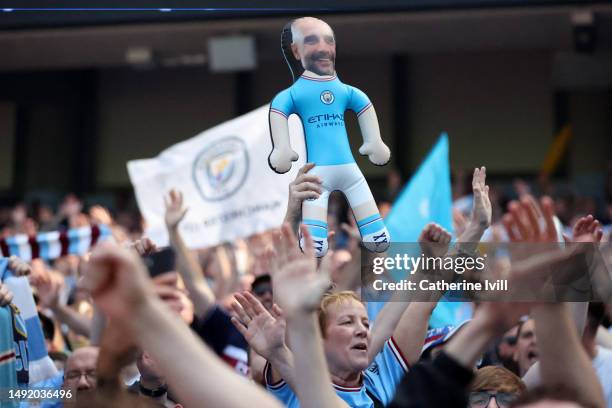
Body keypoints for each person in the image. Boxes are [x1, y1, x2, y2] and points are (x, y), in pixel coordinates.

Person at [80, 242, 284, 408]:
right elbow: (99, 372)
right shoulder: (142, 346)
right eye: (159, 292)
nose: (170, 298)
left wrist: (278, 354)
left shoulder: (212, 343)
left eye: (174, 290)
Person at [269, 16, 391, 256]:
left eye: (329, 41)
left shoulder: (345, 91)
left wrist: (374, 141)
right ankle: (314, 240)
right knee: (315, 212)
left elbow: (362, 103)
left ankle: (374, 231)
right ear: (296, 50)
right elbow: (278, 110)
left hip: (349, 167)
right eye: (312, 41)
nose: (324, 48)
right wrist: (282, 147)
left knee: (361, 195)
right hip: (317, 172)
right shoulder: (294, 94)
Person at [163, 190, 249, 376]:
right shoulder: (231, 332)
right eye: (260, 290)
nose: (265, 295)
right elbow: (195, 285)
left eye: (268, 290)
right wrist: (173, 232)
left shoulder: (289, 343)